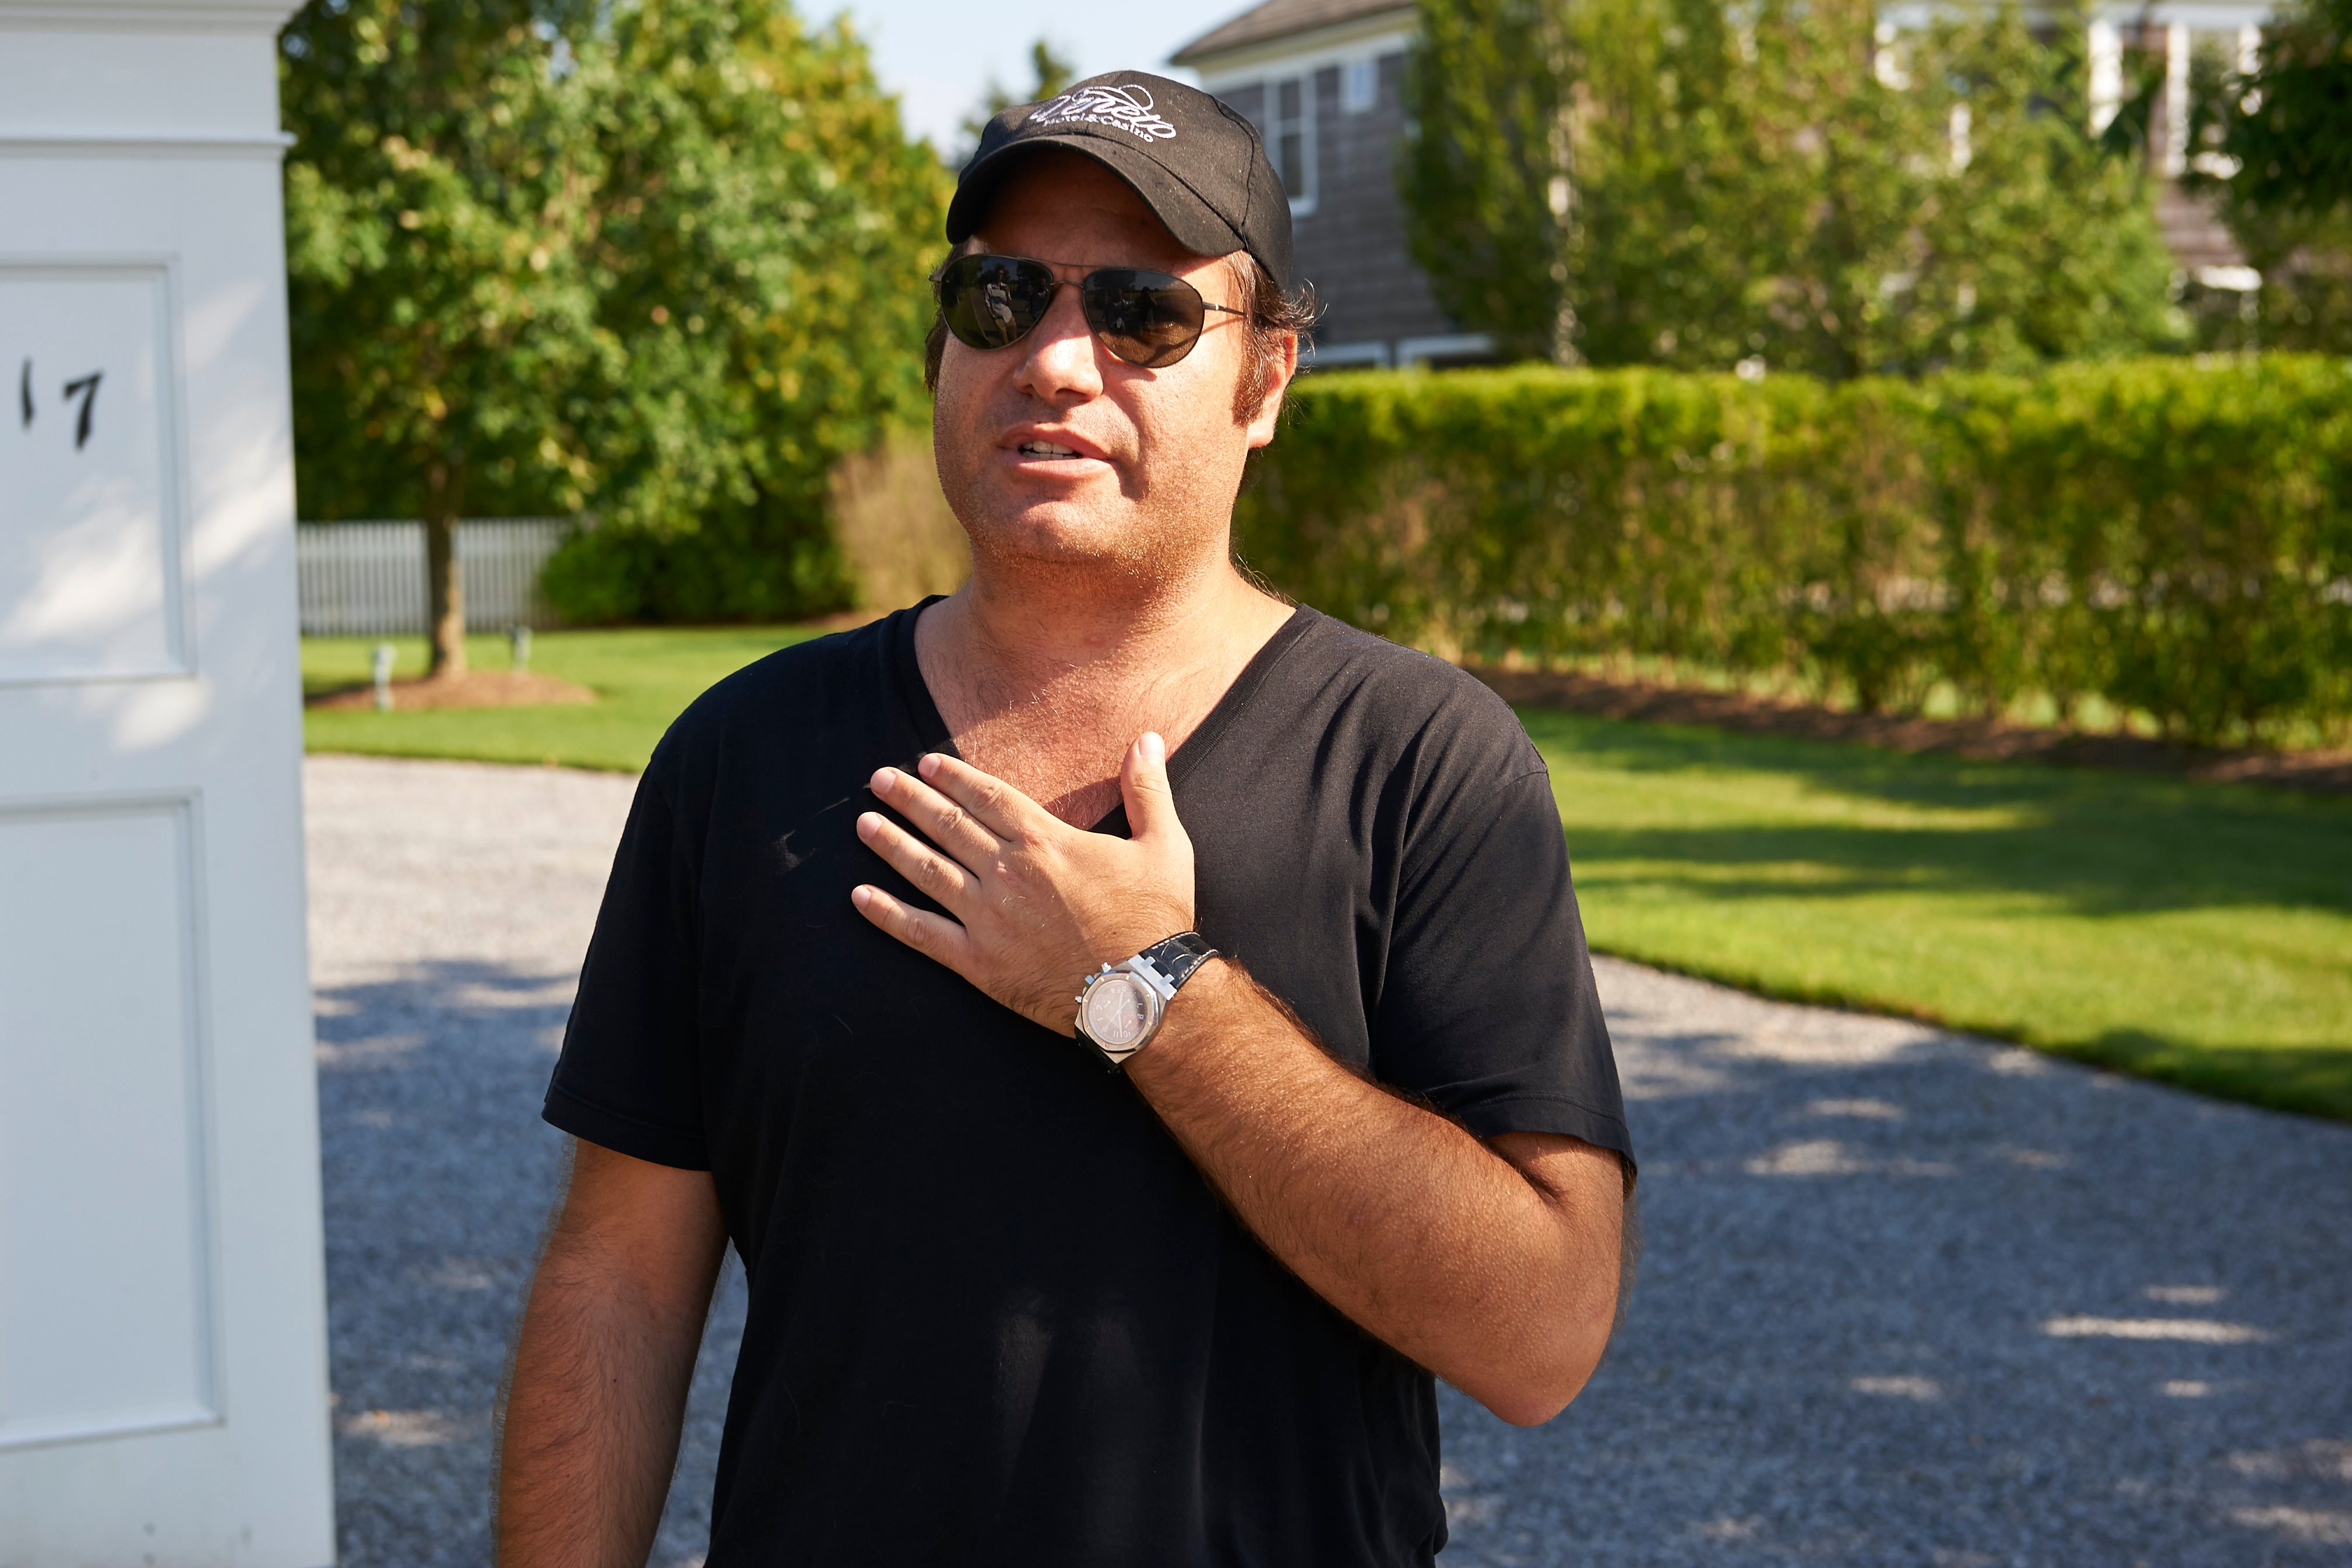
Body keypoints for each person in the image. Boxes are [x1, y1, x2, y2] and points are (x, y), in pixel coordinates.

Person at [495, 71, 1634, 1568]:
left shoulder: (1417, 761)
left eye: (1142, 312)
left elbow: (1539, 1331)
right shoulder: (744, 757)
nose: (1054, 359)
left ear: (1268, 377)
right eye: (1001, 295)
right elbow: (619, 1283)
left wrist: (1146, 988)